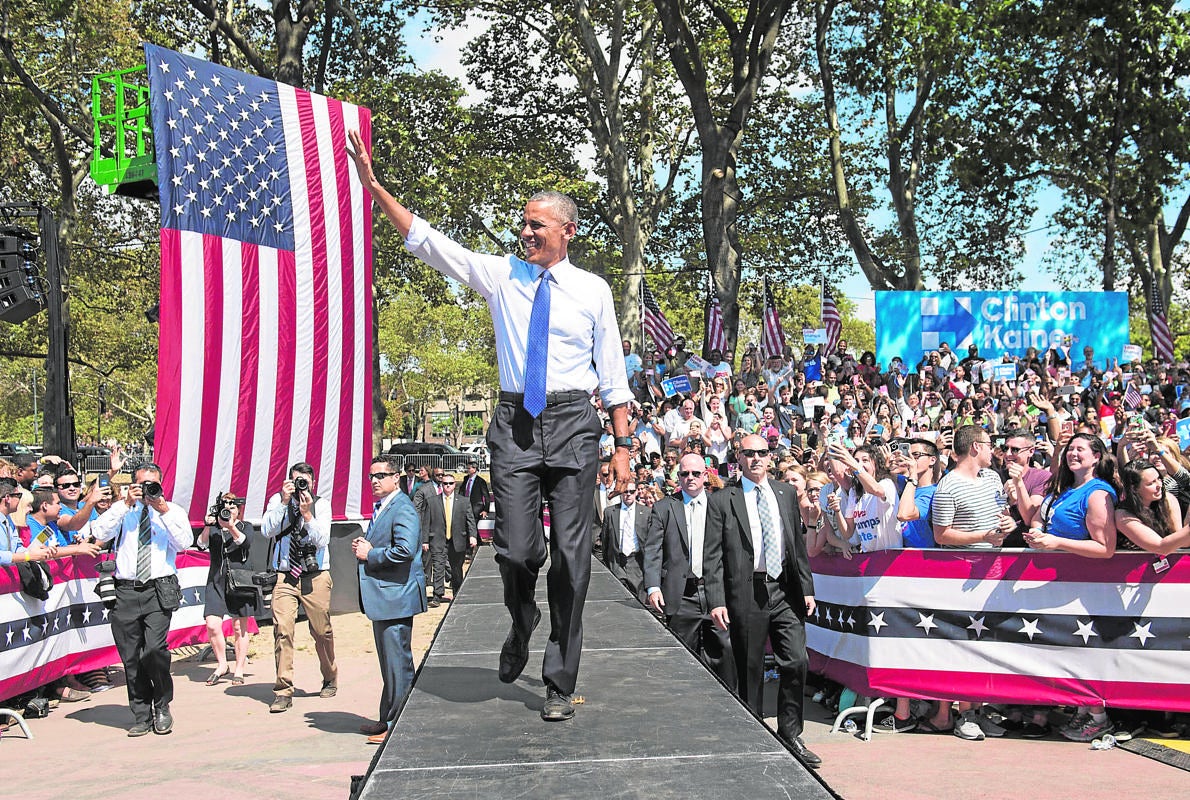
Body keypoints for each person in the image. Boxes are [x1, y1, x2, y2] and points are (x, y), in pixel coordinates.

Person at [348, 135, 633, 723]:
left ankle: (558, 679)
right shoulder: (501, 276)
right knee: (518, 552)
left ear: (567, 232)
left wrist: (623, 443)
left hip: (576, 423)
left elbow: (613, 372)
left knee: (573, 559)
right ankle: (521, 619)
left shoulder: (594, 291)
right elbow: (429, 243)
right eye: (523, 225)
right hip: (515, 424)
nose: (525, 234)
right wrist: (375, 187)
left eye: (537, 226)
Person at [703, 433, 821, 768]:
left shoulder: (785, 493)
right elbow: (712, 556)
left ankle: (791, 733)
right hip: (747, 592)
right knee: (749, 668)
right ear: (738, 458)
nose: (756, 458)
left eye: (762, 452)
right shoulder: (724, 499)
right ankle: (752, 737)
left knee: (796, 660)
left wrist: (807, 588)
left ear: (770, 457)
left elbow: (796, 548)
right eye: (749, 453)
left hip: (784, 590)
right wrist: (716, 599)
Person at [90, 463, 192, 736]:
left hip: (159, 588)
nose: (147, 490)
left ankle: (161, 704)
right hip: (125, 590)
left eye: (152, 484)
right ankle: (141, 714)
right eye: (142, 484)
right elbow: (99, 534)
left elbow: (184, 543)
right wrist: (124, 503)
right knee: (131, 657)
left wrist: (163, 510)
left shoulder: (172, 511)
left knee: (155, 650)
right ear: (132, 484)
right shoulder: (124, 511)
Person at [644, 453, 736, 689]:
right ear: (678, 476)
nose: (690, 478)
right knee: (682, 656)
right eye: (684, 473)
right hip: (681, 593)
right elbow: (653, 549)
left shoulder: (720, 505)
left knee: (724, 653)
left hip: (716, 591)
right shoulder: (664, 507)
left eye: (696, 473)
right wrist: (653, 587)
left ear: (706, 475)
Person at [354, 456, 426, 744]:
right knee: (389, 664)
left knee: (398, 664)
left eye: (381, 475)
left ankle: (397, 725)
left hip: (395, 596)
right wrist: (365, 547)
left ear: (397, 478)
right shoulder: (386, 507)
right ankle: (387, 717)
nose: (375, 480)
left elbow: (406, 550)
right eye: (372, 475)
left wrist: (370, 554)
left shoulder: (402, 507)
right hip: (386, 597)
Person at [260, 462, 337, 713]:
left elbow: (322, 538)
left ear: (313, 482)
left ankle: (330, 674)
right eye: (295, 481)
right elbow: (266, 530)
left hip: (315, 576)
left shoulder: (321, 504)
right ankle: (283, 690)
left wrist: (306, 514)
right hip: (285, 576)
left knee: (321, 631)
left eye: (304, 481)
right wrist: (285, 502)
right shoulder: (279, 501)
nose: (300, 486)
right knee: (282, 630)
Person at [197, 493, 257, 687]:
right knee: (212, 624)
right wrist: (208, 524)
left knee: (240, 627)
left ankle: (239, 669)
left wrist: (230, 525)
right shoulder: (214, 527)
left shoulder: (244, 526)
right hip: (216, 579)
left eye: (232, 507)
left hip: (239, 581)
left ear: (238, 510)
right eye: (225, 507)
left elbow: (244, 543)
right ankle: (222, 664)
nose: (228, 510)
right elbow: (201, 544)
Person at [1115, 459, 1190, 554]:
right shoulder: (1123, 515)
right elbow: (1160, 547)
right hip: (1132, 566)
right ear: (1134, 488)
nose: (1159, 485)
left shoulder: (1167, 499)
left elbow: (1180, 542)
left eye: (1159, 478)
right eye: (1151, 483)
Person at [428, 473, 478, 601]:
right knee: (438, 567)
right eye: (445, 483)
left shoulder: (464, 501)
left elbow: (470, 520)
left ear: (455, 485)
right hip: (439, 539)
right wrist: (424, 541)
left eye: (450, 483)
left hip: (457, 540)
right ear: (442, 485)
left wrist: (473, 536)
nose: (448, 486)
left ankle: (457, 593)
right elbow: (425, 522)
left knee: (456, 569)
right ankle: (437, 595)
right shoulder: (432, 502)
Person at [600, 482, 650, 604]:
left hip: (637, 563)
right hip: (617, 562)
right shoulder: (610, 512)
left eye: (631, 492)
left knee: (640, 603)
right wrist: (608, 564)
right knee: (617, 601)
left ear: (637, 492)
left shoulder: (646, 513)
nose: (628, 494)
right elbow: (605, 541)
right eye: (625, 491)